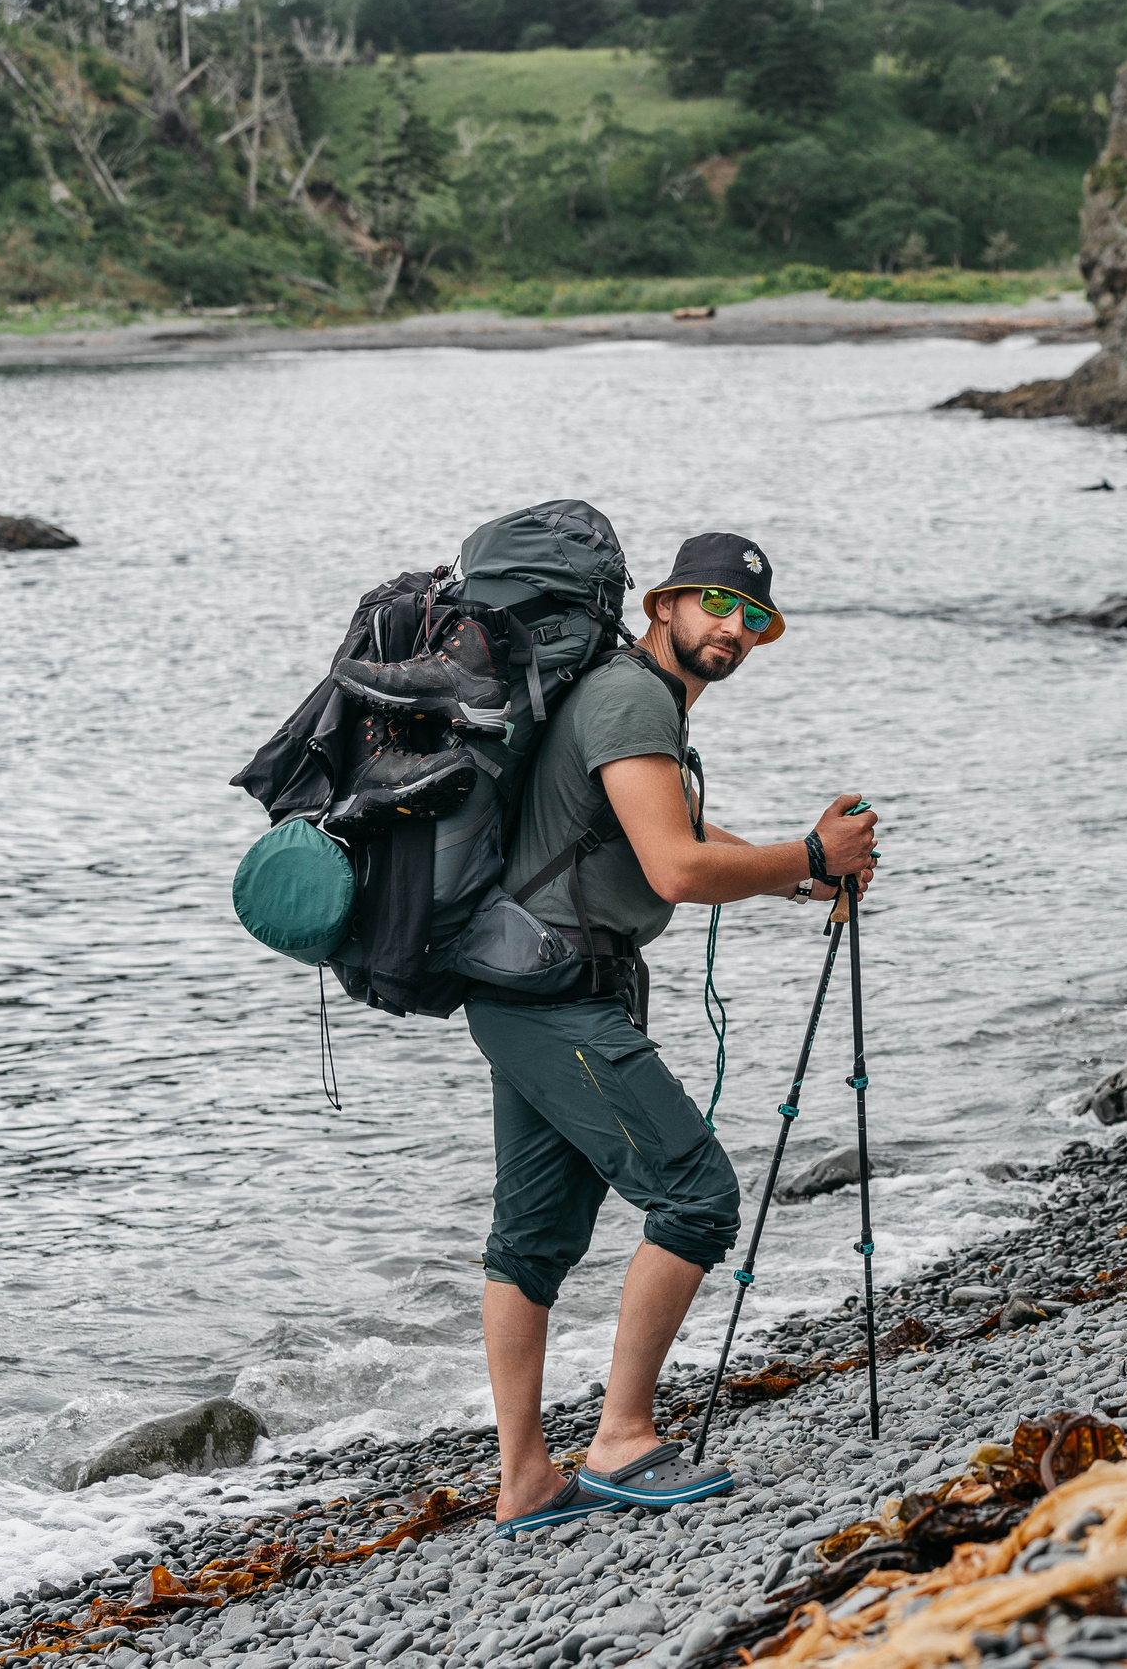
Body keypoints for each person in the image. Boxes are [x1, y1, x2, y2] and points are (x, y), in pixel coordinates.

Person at [465, 531, 879, 1535]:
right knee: (695, 1197)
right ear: (664, 606)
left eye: (753, 619)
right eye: (715, 606)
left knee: (531, 1244)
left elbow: (684, 843)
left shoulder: (641, 703)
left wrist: (805, 871)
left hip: (538, 985)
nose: (732, 629)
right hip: (552, 994)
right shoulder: (628, 698)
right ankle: (620, 1438)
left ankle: (525, 1480)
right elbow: (678, 872)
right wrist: (811, 851)